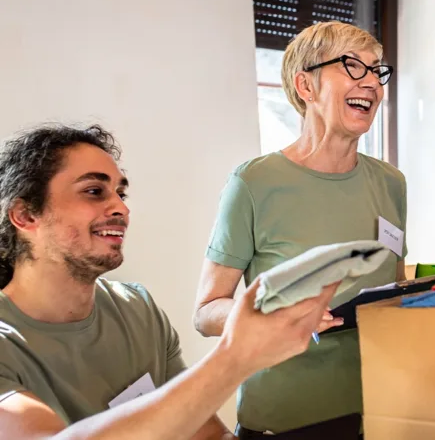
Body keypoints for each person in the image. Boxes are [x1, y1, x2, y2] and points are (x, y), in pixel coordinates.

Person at [0, 124, 338, 440]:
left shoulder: (137, 309)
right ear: (26, 215)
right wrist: (237, 356)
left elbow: (205, 433)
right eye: (93, 191)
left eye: (120, 193)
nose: (120, 207)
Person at [193, 21, 406, 438]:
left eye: (376, 71)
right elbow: (206, 313)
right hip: (285, 417)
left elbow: (392, 286)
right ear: (305, 86)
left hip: (381, 408)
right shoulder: (253, 183)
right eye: (352, 66)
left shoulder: (391, 182)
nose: (372, 84)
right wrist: (278, 315)